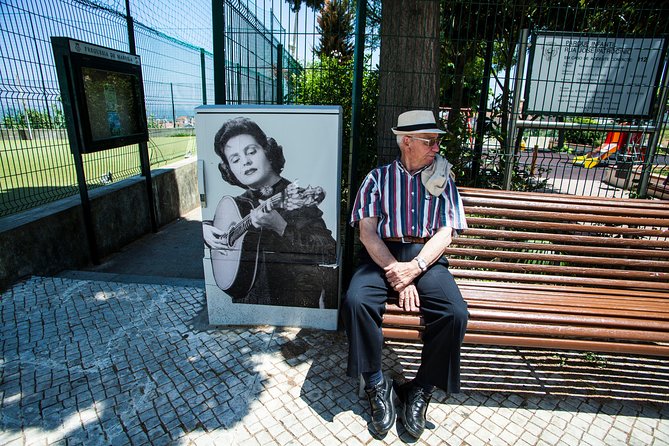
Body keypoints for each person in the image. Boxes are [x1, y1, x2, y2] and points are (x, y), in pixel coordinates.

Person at [342, 110, 469, 438]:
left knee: (454, 313)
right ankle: (375, 382)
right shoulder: (377, 178)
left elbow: (445, 232)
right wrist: (394, 271)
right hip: (382, 256)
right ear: (407, 141)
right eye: (430, 141)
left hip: (425, 258)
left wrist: (415, 270)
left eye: (437, 141)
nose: (436, 148)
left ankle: (420, 388)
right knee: (357, 300)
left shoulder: (443, 178)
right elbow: (367, 232)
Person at [202, 117, 337, 309]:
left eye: (251, 151)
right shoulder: (237, 204)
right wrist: (206, 229)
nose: (246, 162)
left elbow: (328, 250)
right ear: (229, 170)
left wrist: (281, 227)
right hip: (247, 303)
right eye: (235, 159)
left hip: (292, 303)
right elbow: (219, 226)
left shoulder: (295, 197)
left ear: (268, 151)